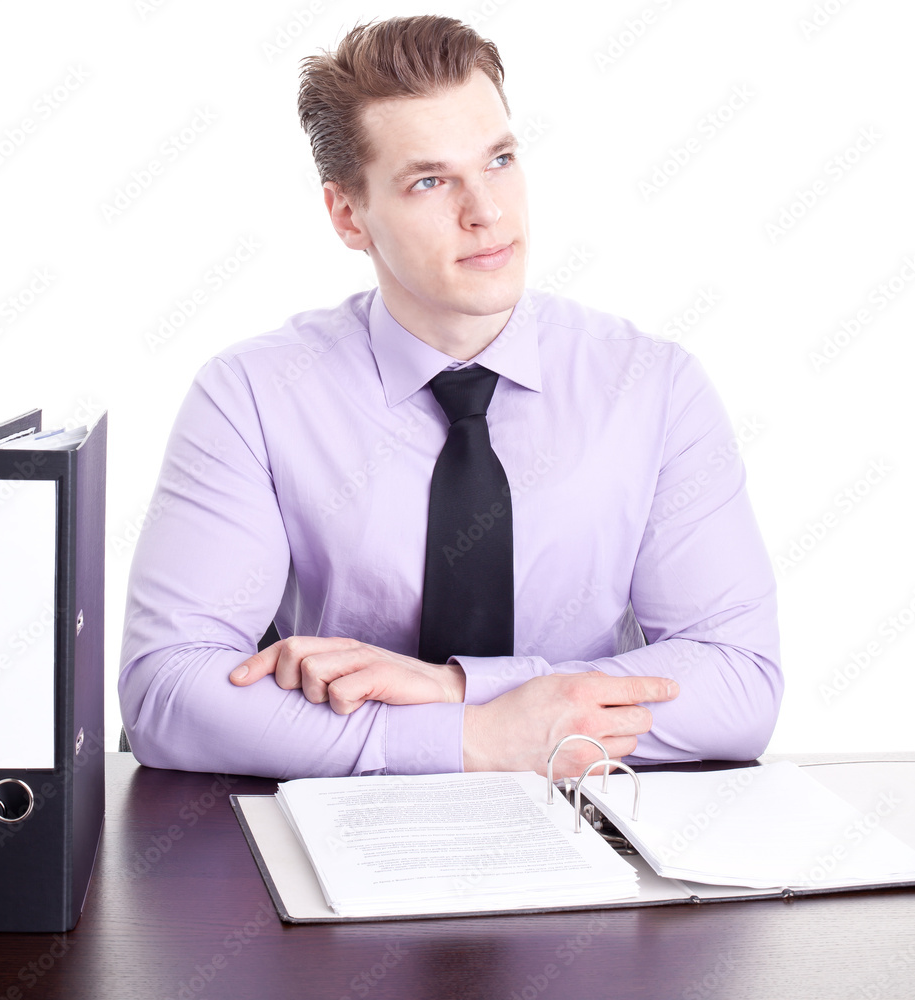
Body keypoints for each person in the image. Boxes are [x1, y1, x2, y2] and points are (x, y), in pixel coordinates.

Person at [118, 15, 782, 781]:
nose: (485, 212)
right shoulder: (253, 396)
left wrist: (457, 690)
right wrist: (472, 740)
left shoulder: (652, 386)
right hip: (341, 823)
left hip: (589, 814)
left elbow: (738, 683)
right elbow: (166, 692)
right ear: (348, 215)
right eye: (429, 181)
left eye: (499, 160)